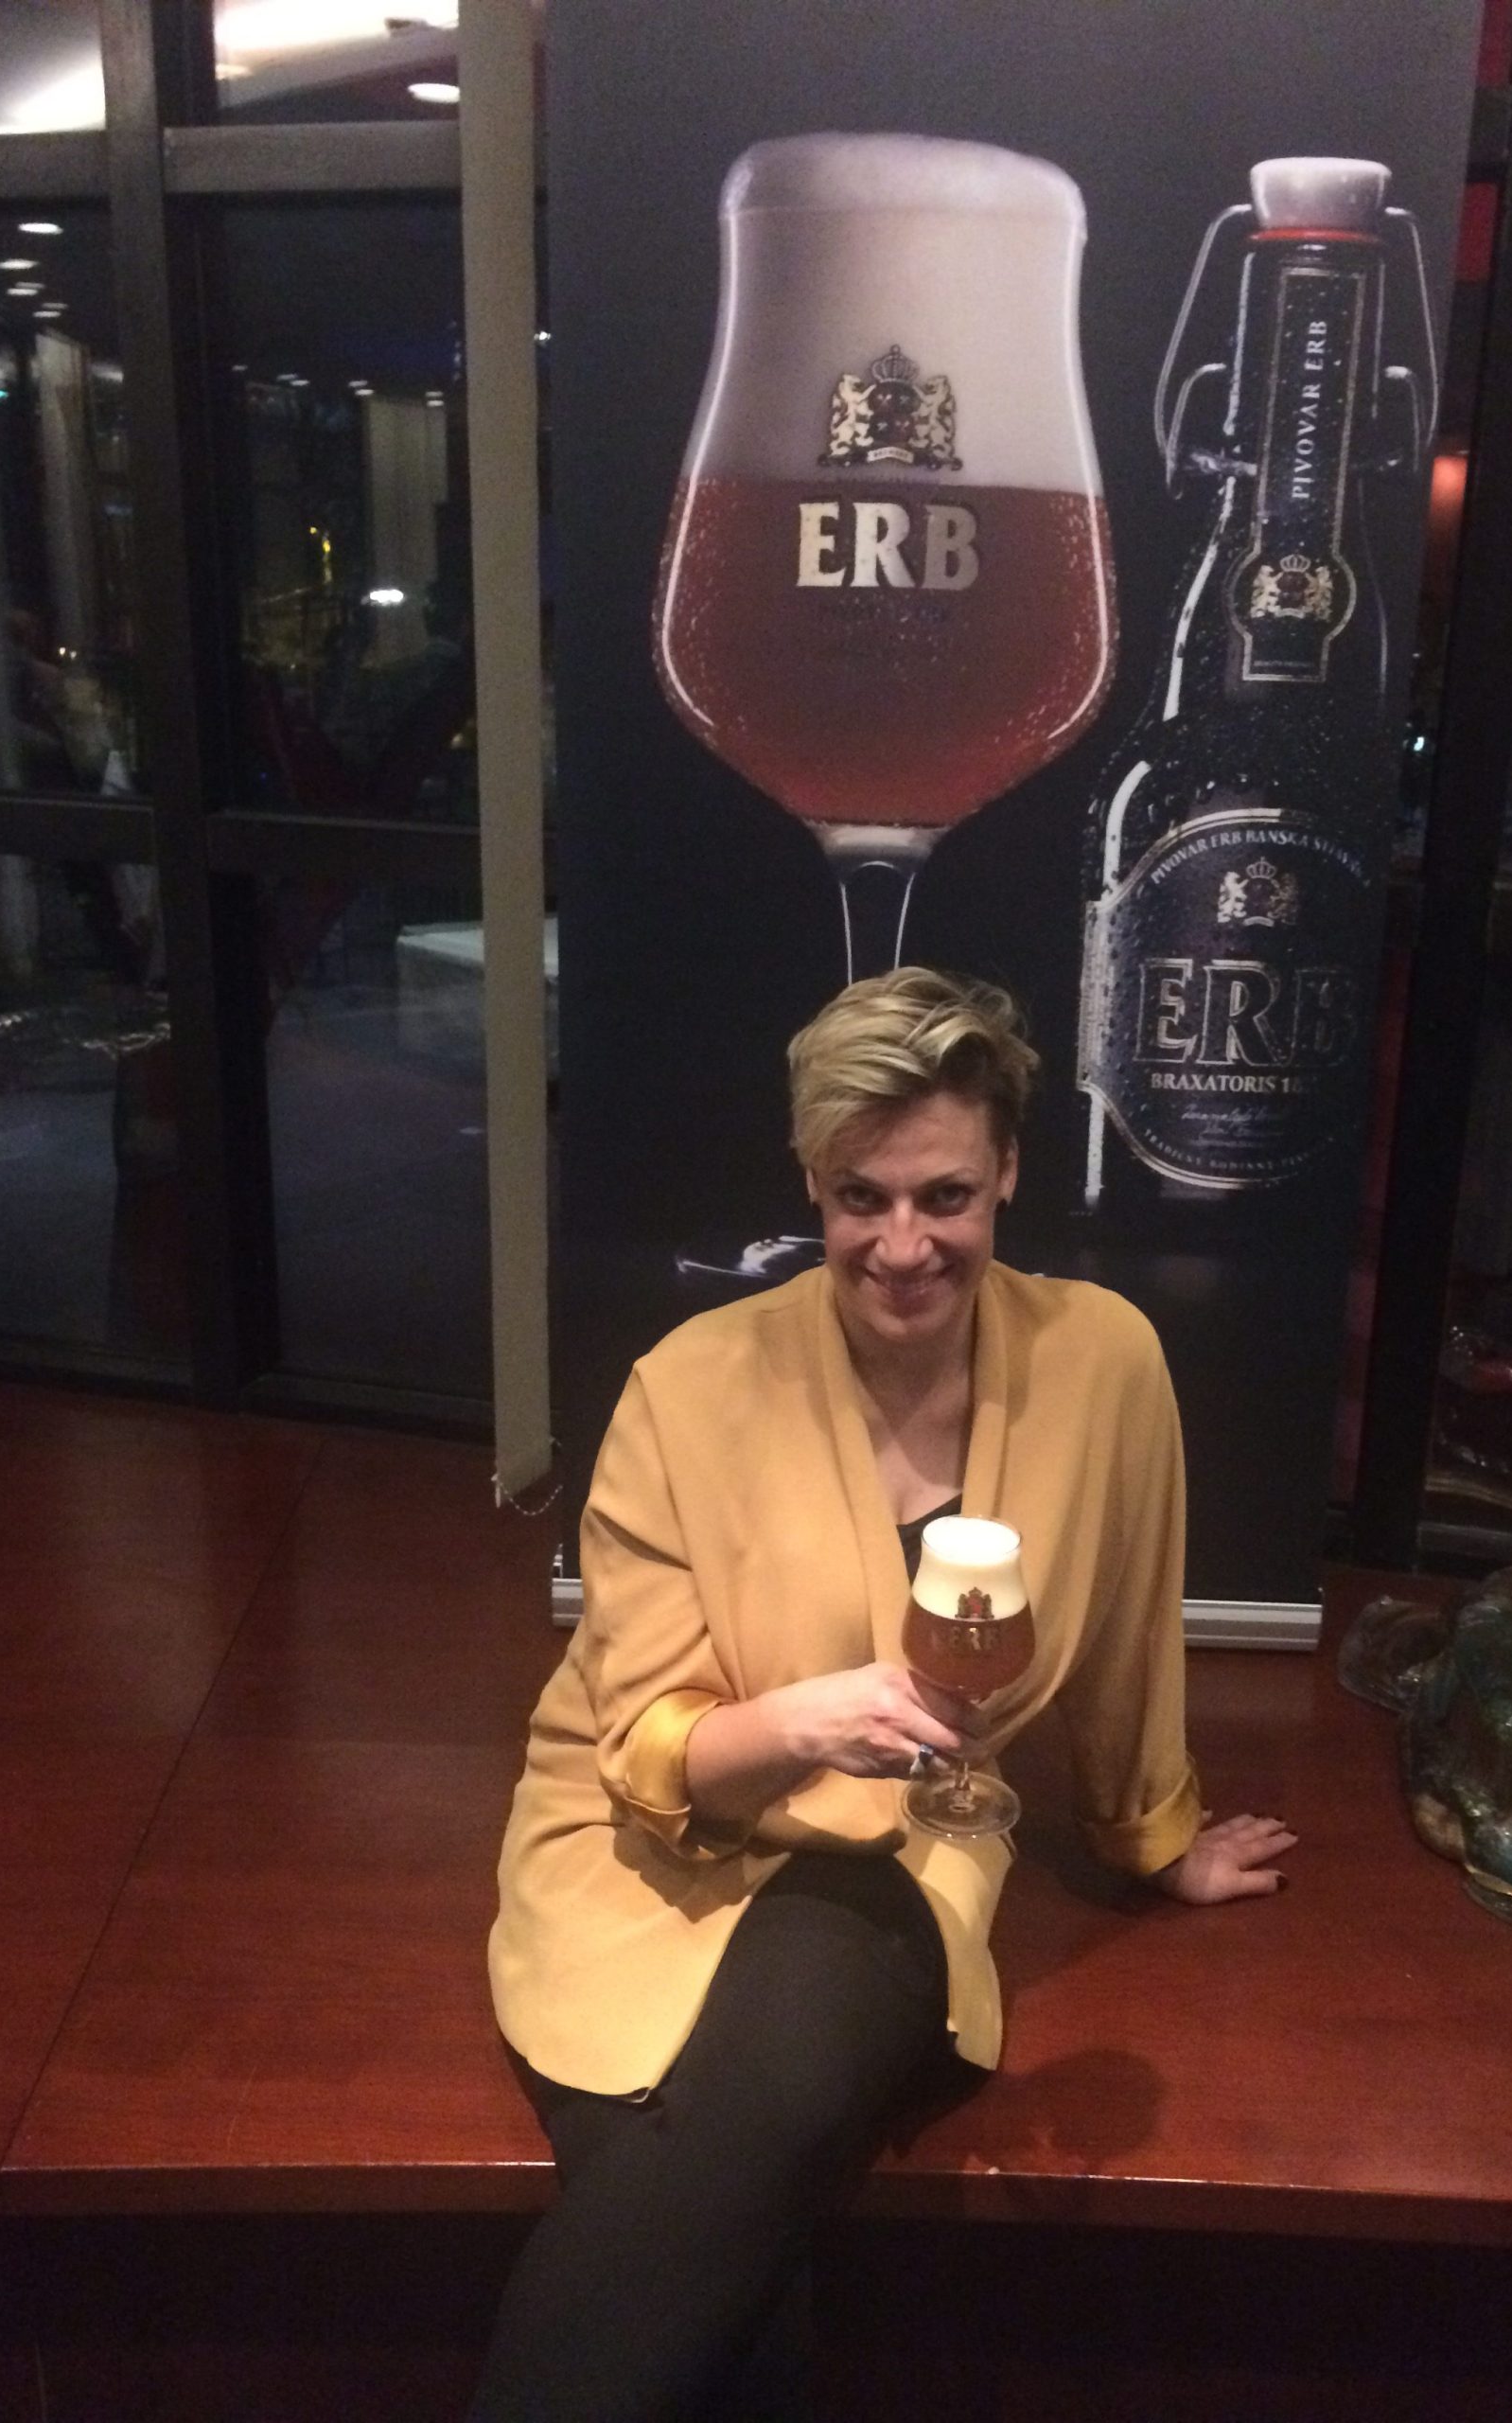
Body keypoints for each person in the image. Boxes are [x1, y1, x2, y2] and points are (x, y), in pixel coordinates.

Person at [469, 968, 1296, 2422]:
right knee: (749, 2278)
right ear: (813, 1183)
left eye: (946, 1197)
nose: (904, 1247)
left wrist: (1152, 1835)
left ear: (1010, 1173)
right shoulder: (689, 1386)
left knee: (788, 2066)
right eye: (863, 1199)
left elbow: (1125, 1631)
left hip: (903, 1837)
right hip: (646, 1838)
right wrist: (810, 1720)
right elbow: (643, 1751)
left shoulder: (1103, 1364)